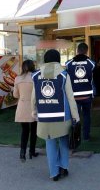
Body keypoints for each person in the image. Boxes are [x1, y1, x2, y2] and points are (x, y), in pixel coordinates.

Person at [31, 49, 80, 181]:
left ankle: (54, 173)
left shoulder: (36, 76)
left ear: (45, 60)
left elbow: (34, 98)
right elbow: (70, 98)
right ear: (58, 59)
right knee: (63, 141)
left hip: (44, 117)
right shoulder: (64, 75)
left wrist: (34, 112)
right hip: (63, 116)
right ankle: (64, 167)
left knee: (50, 143)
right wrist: (76, 116)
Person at [65, 43, 95, 141]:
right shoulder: (91, 63)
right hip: (87, 95)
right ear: (86, 51)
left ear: (77, 50)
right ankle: (86, 136)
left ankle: (75, 137)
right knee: (87, 116)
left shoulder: (68, 63)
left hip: (73, 96)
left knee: (74, 117)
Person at [13, 59, 38, 162]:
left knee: (24, 131)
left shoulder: (17, 78)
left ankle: (22, 152)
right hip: (33, 107)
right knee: (34, 131)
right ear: (32, 66)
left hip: (22, 106)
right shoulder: (35, 77)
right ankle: (32, 152)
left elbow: (15, 95)